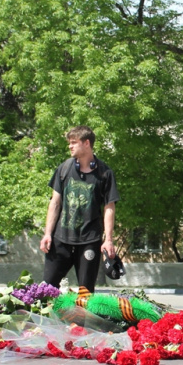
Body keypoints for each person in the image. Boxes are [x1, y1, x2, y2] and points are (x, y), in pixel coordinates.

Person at [40, 126, 120, 295]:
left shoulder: (105, 173)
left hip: (89, 240)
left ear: (87, 143)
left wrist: (109, 240)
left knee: (86, 292)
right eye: (69, 143)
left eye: (74, 143)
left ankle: (82, 322)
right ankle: (45, 321)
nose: (70, 146)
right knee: (45, 290)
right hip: (61, 239)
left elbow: (109, 208)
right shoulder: (64, 169)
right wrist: (47, 233)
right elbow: (55, 203)